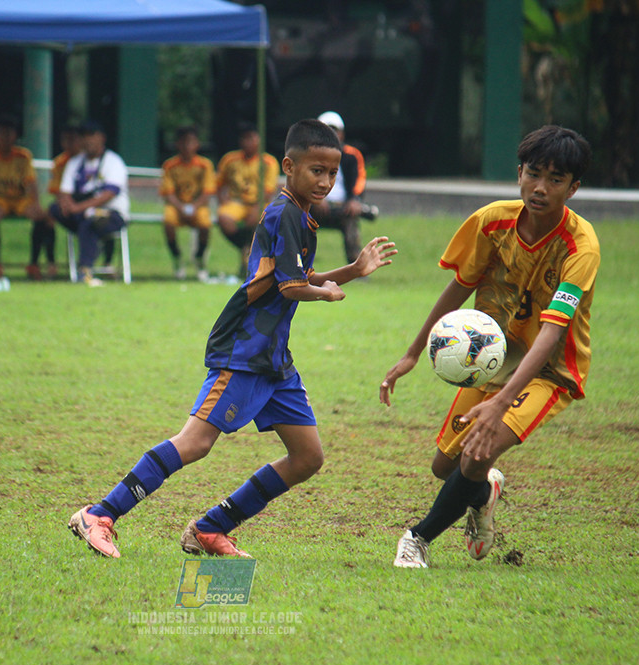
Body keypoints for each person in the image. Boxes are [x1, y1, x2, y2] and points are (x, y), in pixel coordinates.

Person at [68, 118, 398, 558]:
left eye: (333, 173)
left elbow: (302, 276)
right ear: (289, 166)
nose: (326, 181)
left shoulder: (301, 216)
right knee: (195, 442)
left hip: (273, 358)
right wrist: (324, 293)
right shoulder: (283, 213)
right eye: (316, 170)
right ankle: (100, 513)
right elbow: (293, 287)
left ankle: (210, 528)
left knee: (307, 457)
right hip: (244, 350)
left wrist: (352, 272)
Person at [379, 125, 597, 569]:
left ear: (573, 187)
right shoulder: (492, 221)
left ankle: (417, 539)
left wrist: (500, 402)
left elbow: (553, 333)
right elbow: (460, 286)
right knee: (447, 466)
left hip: (551, 369)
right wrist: (412, 353)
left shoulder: (580, 246)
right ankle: (484, 493)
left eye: (555, 179)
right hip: (492, 359)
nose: (540, 187)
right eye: (533, 173)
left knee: (479, 451)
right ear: (519, 172)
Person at [49, 120, 129, 287]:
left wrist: (78, 208)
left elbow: (108, 194)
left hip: (111, 213)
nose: (88, 140)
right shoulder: (75, 162)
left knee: (90, 221)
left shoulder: (113, 162)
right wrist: (67, 204)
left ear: (102, 138)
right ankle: (84, 267)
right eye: (84, 136)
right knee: (55, 209)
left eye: (91, 135)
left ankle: (85, 269)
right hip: (80, 214)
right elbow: (65, 191)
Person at [0, 113, 47, 280]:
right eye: (1, 133)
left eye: (9, 133)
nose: (5, 137)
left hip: (20, 199)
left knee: (39, 215)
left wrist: (36, 204)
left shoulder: (23, 156)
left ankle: (33, 264)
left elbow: (31, 183)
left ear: (15, 135)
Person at [312, 111, 379, 264]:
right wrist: (316, 199)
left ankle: (356, 267)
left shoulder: (352, 155)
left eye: (334, 130)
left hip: (343, 207)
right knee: (297, 218)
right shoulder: (309, 155)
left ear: (341, 133)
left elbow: (359, 180)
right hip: (314, 206)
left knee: (351, 222)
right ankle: (297, 265)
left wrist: (354, 200)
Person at [215, 124, 279, 275]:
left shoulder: (268, 161)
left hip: (259, 202)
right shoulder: (230, 160)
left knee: (258, 218)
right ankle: (246, 247)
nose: (248, 142)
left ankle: (250, 256)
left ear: (259, 140)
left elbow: (268, 191)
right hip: (237, 202)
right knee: (224, 218)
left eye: (252, 138)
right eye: (245, 138)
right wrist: (222, 200)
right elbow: (218, 183)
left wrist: (257, 207)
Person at [159, 125, 217, 281]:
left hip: (197, 206)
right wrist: (181, 207)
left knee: (205, 224)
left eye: (191, 142)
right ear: (177, 144)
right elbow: (168, 193)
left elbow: (207, 192)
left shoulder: (205, 165)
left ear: (197, 144)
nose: (187, 146)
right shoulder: (170, 165)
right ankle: (177, 257)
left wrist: (193, 207)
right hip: (177, 206)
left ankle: (199, 257)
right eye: (183, 142)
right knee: (168, 221)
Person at [29, 125, 82, 281]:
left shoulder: (86, 160)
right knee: (46, 217)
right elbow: (57, 190)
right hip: (66, 205)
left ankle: (105, 262)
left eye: (72, 140)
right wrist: (65, 205)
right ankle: (45, 263)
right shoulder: (60, 162)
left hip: (86, 204)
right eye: (65, 140)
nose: (69, 144)